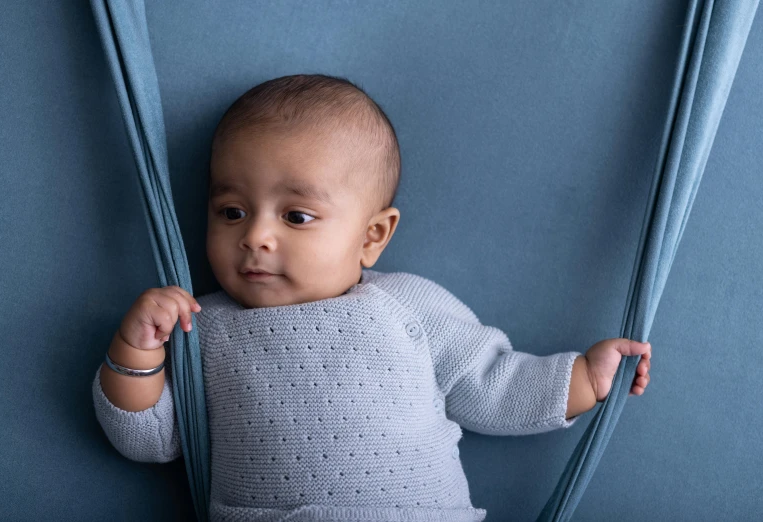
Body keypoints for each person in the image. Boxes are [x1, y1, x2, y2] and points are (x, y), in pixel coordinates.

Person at [93, 73, 652, 521]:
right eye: (231, 211)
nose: (255, 236)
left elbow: (494, 382)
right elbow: (153, 438)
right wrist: (135, 354)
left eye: (296, 216)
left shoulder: (407, 306)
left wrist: (585, 377)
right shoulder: (203, 326)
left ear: (372, 236)